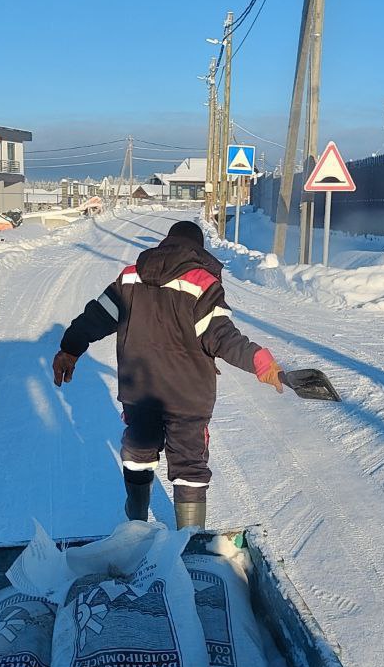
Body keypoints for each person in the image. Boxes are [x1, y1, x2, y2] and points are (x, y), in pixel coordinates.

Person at [52, 220, 284, 529]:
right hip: (188, 399)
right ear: (198, 251)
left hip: (140, 392)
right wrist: (259, 360)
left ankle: (136, 525)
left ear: (165, 244)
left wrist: (70, 348)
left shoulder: (131, 277)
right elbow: (222, 337)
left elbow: (97, 317)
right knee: (190, 467)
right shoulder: (202, 283)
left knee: (138, 452)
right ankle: (189, 542)